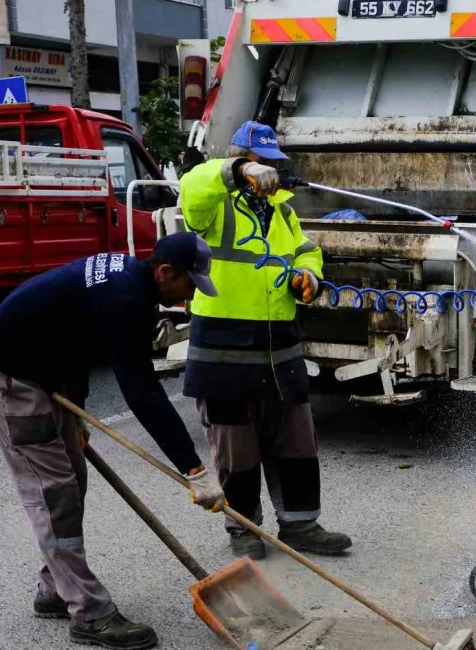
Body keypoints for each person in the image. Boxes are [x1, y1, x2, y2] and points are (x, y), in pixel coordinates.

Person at [0, 231, 248, 649]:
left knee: (72, 479)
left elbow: (77, 336)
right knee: (54, 495)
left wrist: (75, 406)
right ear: (165, 271)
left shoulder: (132, 282)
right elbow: (143, 393)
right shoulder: (127, 298)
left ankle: (55, 588)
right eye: (189, 284)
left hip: (44, 374)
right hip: (10, 382)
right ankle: (89, 613)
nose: (189, 298)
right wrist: (194, 469)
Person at [178, 120, 352, 561]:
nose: (269, 175)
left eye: (272, 165)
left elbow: (306, 251)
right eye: (261, 165)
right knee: (236, 448)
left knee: (296, 441)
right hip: (225, 347)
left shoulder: (284, 213)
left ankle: (301, 525)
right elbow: (193, 187)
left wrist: (309, 276)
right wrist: (236, 173)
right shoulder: (215, 207)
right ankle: (244, 529)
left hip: (280, 347)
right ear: (241, 161)